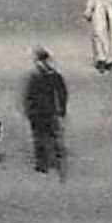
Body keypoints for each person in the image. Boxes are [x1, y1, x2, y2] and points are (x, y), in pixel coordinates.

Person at [22, 47, 68, 177]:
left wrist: (28, 109)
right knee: (49, 136)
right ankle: (53, 160)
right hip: (48, 110)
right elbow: (62, 93)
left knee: (41, 137)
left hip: (40, 111)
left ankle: (43, 163)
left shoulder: (38, 76)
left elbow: (29, 95)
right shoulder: (53, 74)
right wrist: (62, 109)